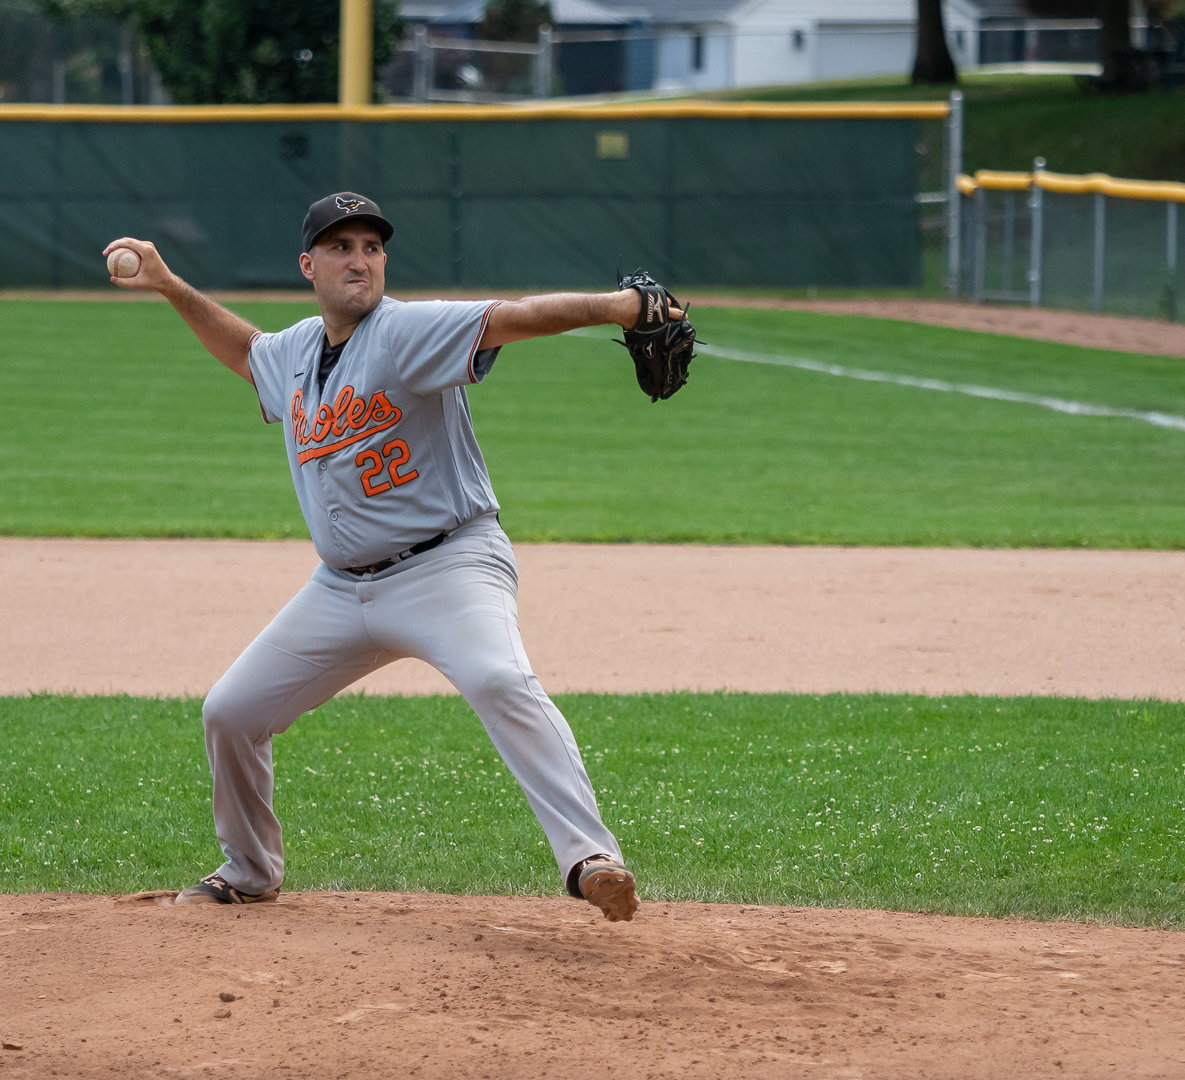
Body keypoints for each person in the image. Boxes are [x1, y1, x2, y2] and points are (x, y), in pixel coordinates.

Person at [102, 191, 678, 922]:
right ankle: (249, 870)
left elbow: (516, 316)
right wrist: (168, 285)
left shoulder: (405, 329)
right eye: (341, 247)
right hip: (340, 591)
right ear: (308, 266)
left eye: (372, 247)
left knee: (500, 678)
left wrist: (620, 307)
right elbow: (247, 353)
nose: (360, 260)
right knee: (231, 712)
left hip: (449, 566)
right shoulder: (296, 351)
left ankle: (591, 858)